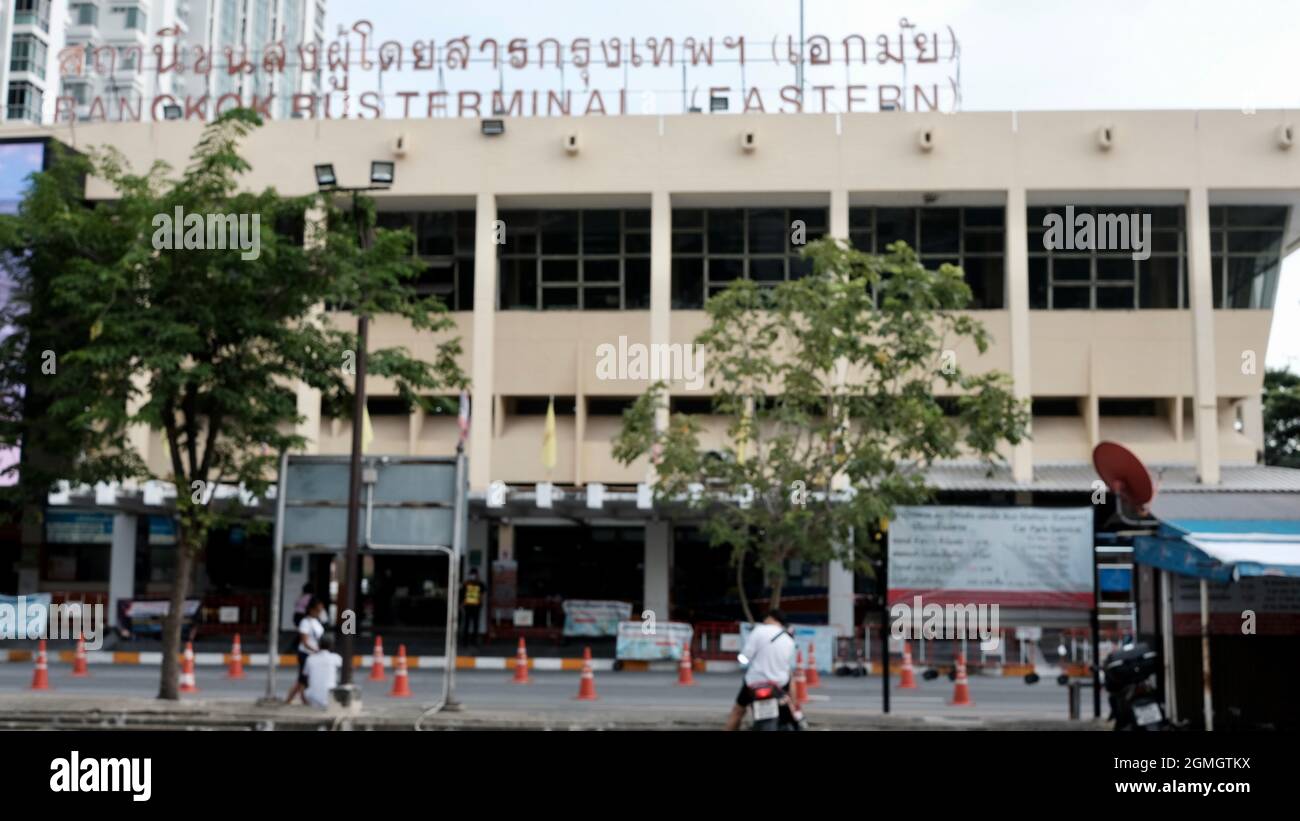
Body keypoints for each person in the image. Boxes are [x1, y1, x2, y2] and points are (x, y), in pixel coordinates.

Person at [724, 609, 797, 731]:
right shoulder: (789, 639)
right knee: (790, 708)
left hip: (755, 682)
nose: (764, 620)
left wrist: (743, 659)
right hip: (779, 684)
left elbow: (746, 655)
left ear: (771, 618)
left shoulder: (759, 630)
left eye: (765, 618)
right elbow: (787, 665)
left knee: (737, 712)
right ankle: (796, 710)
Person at [285, 597, 326, 705]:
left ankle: (303, 699)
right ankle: (290, 699)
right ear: (311, 610)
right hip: (305, 654)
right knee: (302, 679)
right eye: (318, 610)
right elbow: (304, 642)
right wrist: (316, 650)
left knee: (306, 679)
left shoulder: (317, 621)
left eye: (321, 610)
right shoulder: (305, 622)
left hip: (314, 654)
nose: (320, 612)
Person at [303, 633, 343, 709]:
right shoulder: (335, 658)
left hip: (313, 698)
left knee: (307, 689)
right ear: (332, 646)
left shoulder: (310, 659)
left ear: (318, 645)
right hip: (330, 696)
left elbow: (305, 676)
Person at [460, 568, 485, 646]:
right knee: (467, 624)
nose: (473, 576)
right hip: (468, 606)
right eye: (472, 575)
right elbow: (462, 594)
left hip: (476, 607)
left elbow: (482, 594)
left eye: (474, 575)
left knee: (475, 625)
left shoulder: (480, 584)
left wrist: (481, 603)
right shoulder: (466, 583)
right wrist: (461, 604)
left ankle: (473, 641)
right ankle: (465, 641)